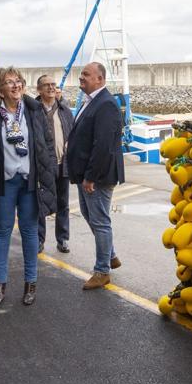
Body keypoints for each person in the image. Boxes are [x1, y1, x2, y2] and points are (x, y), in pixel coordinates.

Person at [0, 67, 57, 306]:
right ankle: (0, 285)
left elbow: (47, 146)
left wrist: (49, 172)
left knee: (30, 233)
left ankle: (31, 284)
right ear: (0, 89)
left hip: (29, 182)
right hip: (4, 184)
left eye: (18, 81)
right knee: (2, 233)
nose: (16, 85)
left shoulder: (33, 110)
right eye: (9, 82)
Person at [66, 62, 125, 290]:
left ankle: (102, 271)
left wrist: (91, 176)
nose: (81, 77)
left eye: (86, 74)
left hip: (98, 175)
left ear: (100, 79)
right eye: (82, 74)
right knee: (90, 215)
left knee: (100, 221)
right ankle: (110, 255)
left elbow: (103, 146)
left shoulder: (106, 104)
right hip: (87, 174)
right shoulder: (92, 101)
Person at [36, 74, 74, 253]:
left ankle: (63, 239)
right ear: (39, 90)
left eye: (53, 84)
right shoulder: (33, 111)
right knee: (40, 203)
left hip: (63, 163)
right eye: (46, 85)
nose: (51, 88)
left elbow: (73, 134)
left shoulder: (65, 110)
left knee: (63, 203)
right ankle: (39, 239)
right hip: (42, 165)